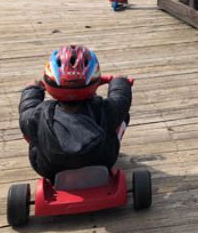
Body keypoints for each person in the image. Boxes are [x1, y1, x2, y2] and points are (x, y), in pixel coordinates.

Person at [19, 45, 133, 182]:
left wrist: (32, 89)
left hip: (50, 168)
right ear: (94, 82)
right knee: (121, 115)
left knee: (31, 130)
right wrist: (120, 82)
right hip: (102, 161)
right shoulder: (104, 108)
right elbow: (121, 100)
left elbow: (26, 110)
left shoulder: (40, 113)